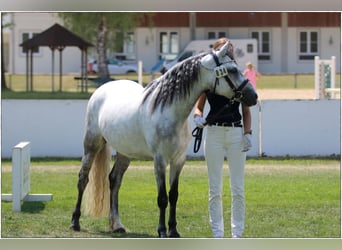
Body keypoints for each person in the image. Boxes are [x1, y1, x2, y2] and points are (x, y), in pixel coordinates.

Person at [193, 38, 252, 238]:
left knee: (238, 189)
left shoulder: (238, 76)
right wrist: (197, 117)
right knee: (215, 189)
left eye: (230, 49)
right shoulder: (209, 80)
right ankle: (218, 234)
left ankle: (237, 235)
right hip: (214, 134)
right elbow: (199, 106)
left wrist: (247, 134)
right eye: (222, 49)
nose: (227, 52)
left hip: (236, 133)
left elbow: (247, 110)